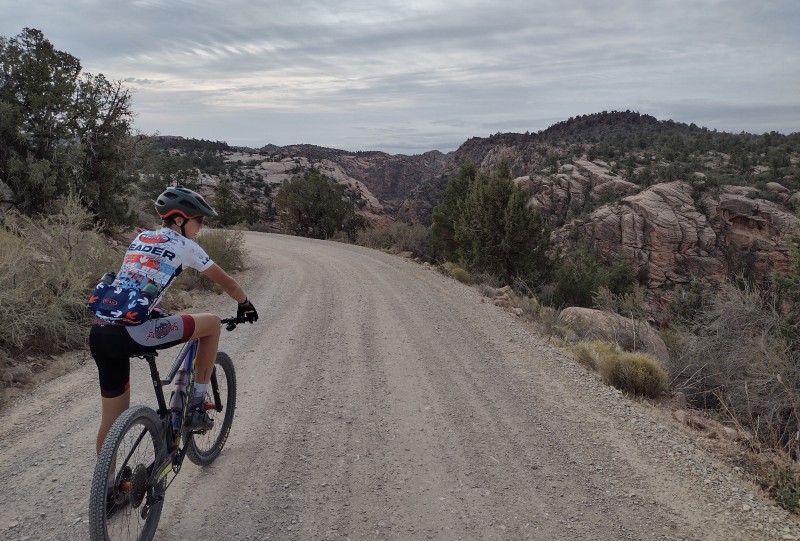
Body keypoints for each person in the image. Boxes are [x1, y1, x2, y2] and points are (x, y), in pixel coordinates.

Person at [88, 186, 258, 456]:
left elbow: (138, 281)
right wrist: (245, 305)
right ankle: (196, 406)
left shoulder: (141, 237)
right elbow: (229, 282)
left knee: (110, 424)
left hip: (100, 333)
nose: (201, 227)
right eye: (199, 221)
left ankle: (107, 493)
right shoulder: (185, 246)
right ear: (179, 220)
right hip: (135, 332)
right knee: (212, 324)